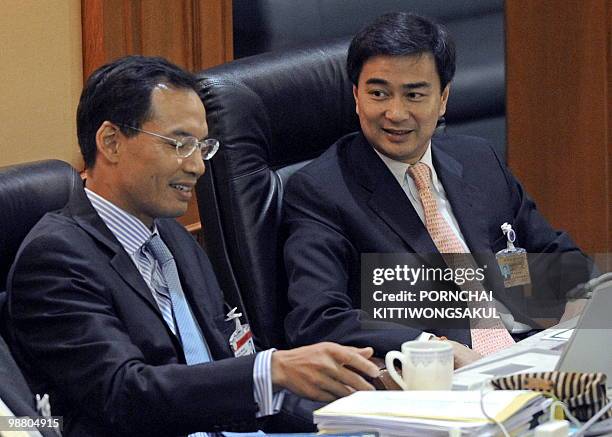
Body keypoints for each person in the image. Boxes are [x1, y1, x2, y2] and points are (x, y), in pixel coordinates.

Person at [6, 55, 380, 437]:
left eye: (202, 146)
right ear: (111, 142)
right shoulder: (56, 257)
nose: (198, 166)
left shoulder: (173, 239)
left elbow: (231, 369)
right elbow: (123, 396)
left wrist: (352, 421)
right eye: (180, 144)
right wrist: (272, 370)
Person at [282, 12, 594, 362]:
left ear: (443, 98)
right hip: (440, 378)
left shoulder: (478, 160)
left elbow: (561, 260)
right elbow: (318, 317)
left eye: (414, 95)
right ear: (356, 96)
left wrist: (576, 311)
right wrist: (432, 346)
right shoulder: (320, 192)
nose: (395, 113)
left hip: (532, 355)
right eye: (378, 93)